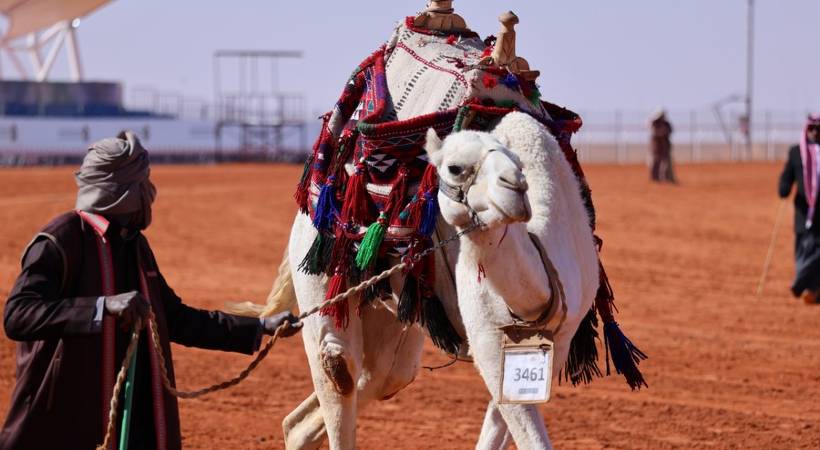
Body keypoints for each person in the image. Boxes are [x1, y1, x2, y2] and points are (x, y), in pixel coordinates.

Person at [0, 131, 302, 450]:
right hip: (67, 417)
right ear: (120, 191)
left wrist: (258, 327)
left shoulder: (134, 245)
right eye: (142, 184)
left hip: (135, 410)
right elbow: (18, 315)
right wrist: (103, 308)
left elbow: (172, 317)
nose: (150, 194)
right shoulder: (60, 241)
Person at [779, 114, 820, 304]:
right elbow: (787, 177)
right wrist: (784, 188)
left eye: (819, 129)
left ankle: (804, 285)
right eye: (812, 128)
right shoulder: (796, 152)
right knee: (802, 251)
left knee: (817, 251)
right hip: (803, 213)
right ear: (807, 129)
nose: (815, 132)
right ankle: (806, 285)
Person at [649, 109, 676, 183]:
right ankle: (655, 178)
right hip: (657, 147)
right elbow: (655, 132)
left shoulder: (666, 123)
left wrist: (664, 132)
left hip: (665, 147)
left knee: (666, 163)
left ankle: (666, 178)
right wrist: (662, 132)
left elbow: (670, 131)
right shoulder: (654, 123)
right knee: (656, 162)